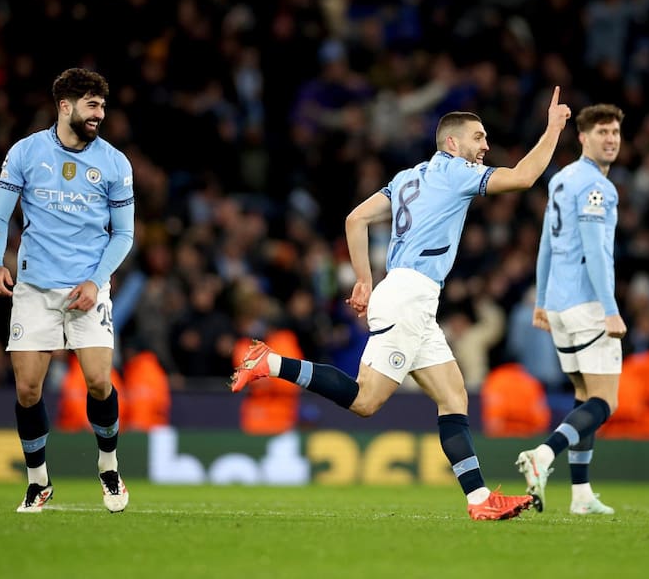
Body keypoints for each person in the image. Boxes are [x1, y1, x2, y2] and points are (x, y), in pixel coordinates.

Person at [232, 86, 571, 520]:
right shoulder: (456, 172)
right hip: (409, 297)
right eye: (479, 137)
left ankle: (479, 499)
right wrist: (553, 129)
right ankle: (270, 362)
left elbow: (355, 218)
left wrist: (363, 280)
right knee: (365, 401)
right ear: (453, 143)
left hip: (409, 296)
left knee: (453, 396)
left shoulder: (408, 177)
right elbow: (524, 177)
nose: (485, 146)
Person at [0, 68, 135, 513]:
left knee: (97, 381)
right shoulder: (26, 153)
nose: (99, 114)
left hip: (88, 289)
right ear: (65, 106)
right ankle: (39, 483)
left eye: (103, 106)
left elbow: (124, 235)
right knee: (28, 389)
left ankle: (108, 467)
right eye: (92, 105)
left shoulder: (114, 162)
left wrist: (96, 280)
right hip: (34, 288)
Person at [517, 104, 626, 515]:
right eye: (602, 132)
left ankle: (580, 495)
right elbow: (596, 252)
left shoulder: (561, 180)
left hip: (561, 308)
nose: (611, 139)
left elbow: (546, 241)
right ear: (582, 137)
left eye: (615, 131)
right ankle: (543, 455)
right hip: (587, 305)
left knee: (584, 397)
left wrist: (542, 300)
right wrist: (611, 310)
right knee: (606, 402)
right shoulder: (599, 187)